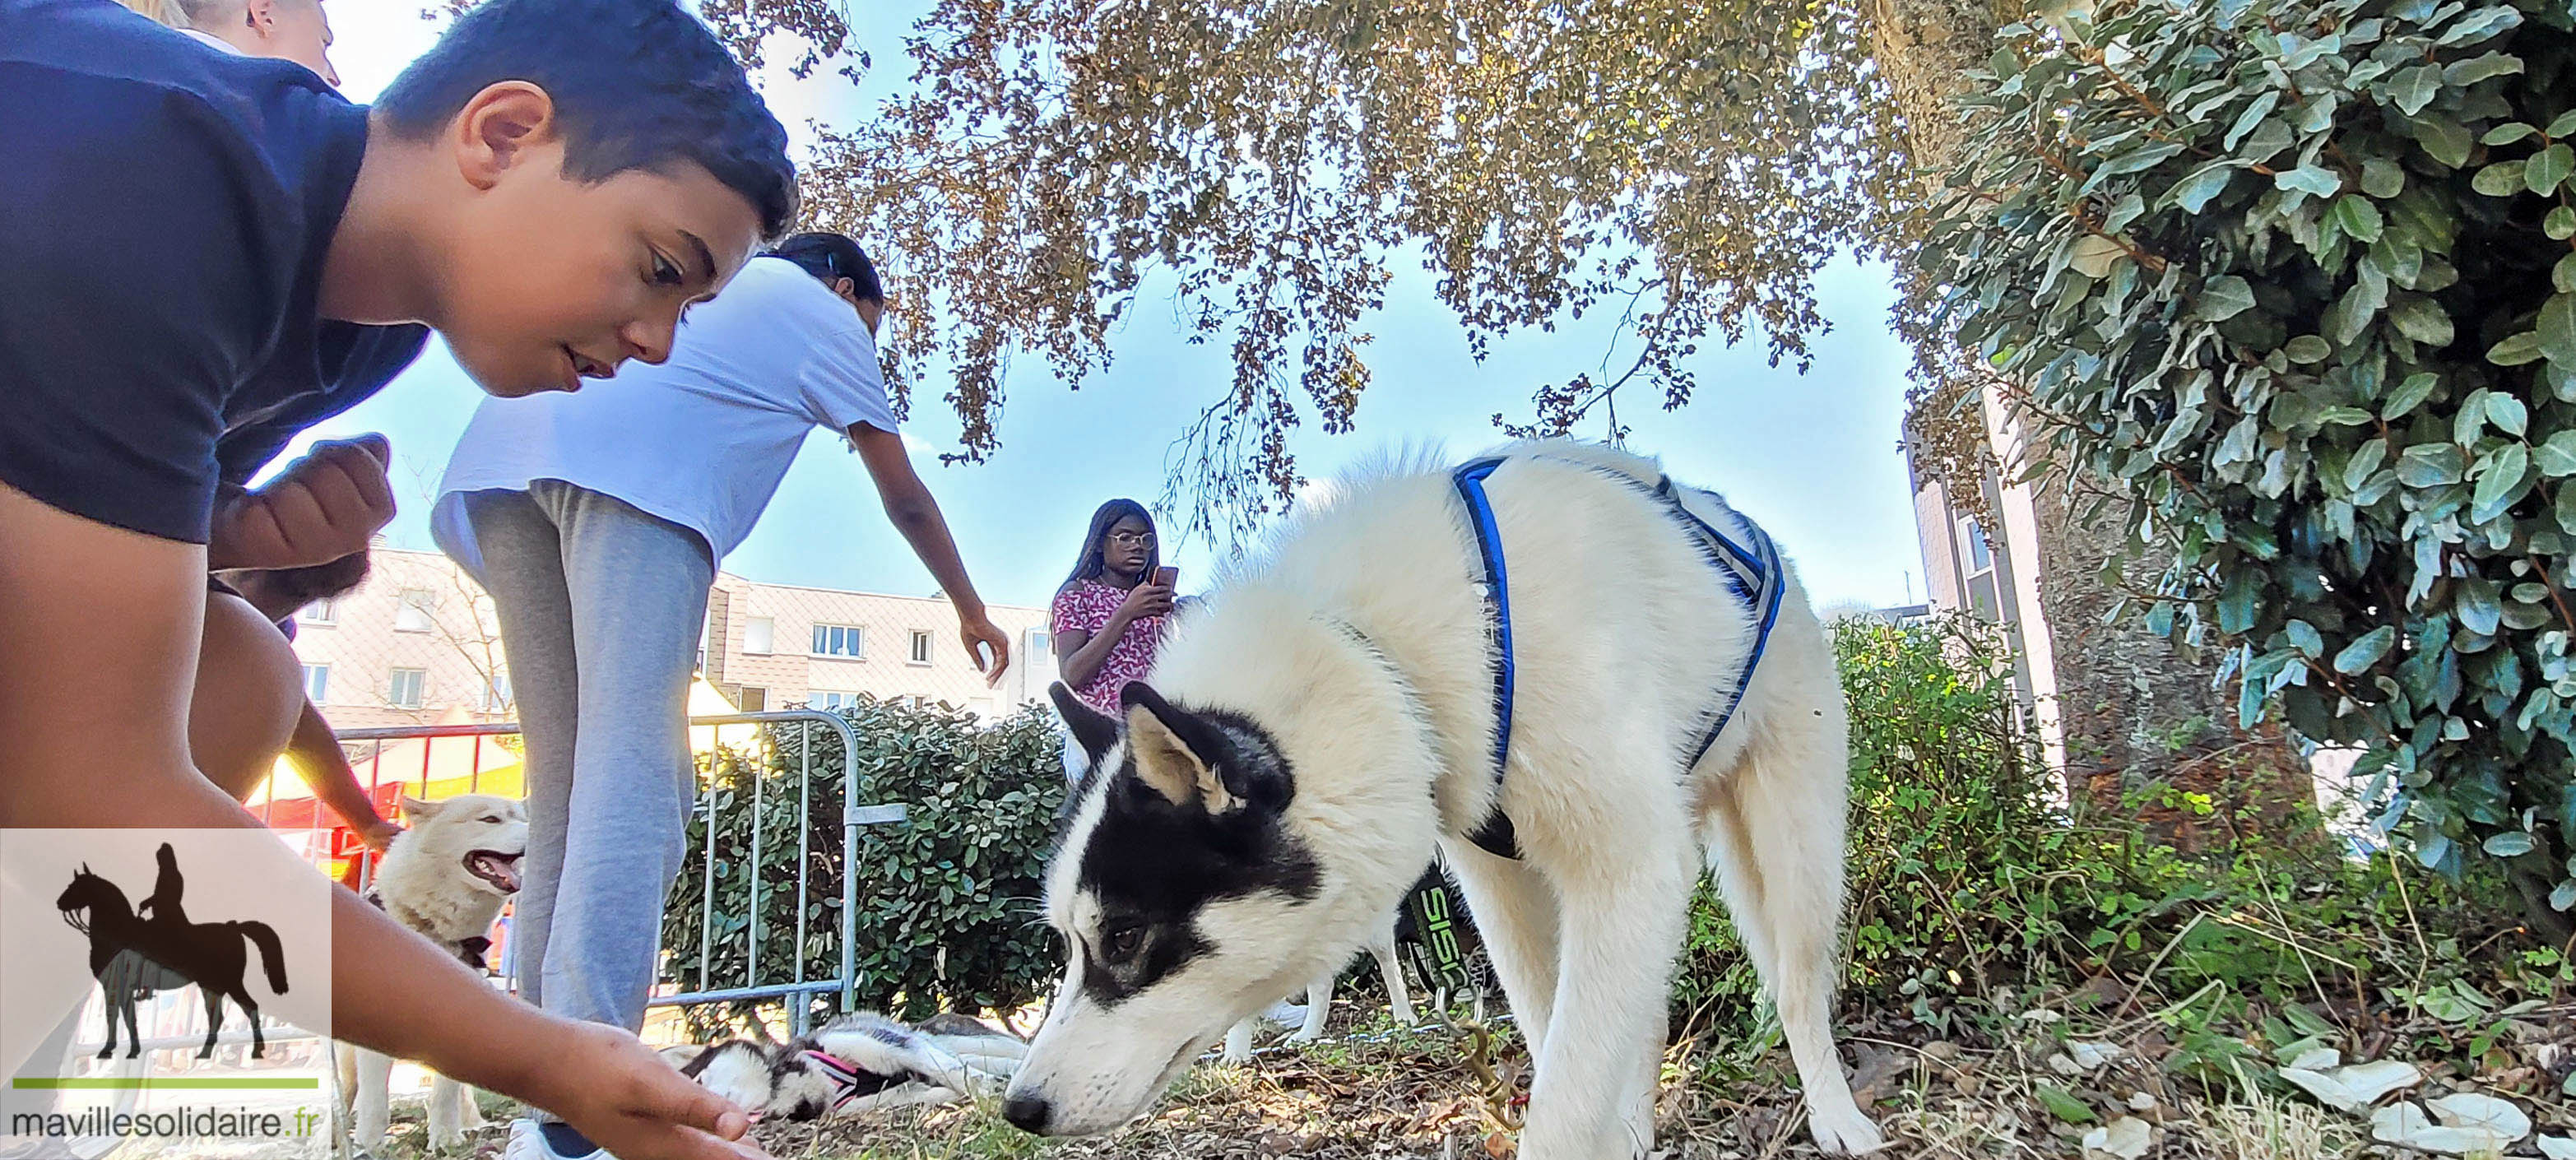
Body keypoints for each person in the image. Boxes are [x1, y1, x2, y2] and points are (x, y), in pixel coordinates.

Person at [0, 2, 796, 1159]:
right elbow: (95, 792)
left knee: (238, 668)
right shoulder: (164, 182)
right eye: (664, 268)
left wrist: (230, 539)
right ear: (504, 134)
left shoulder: (364, 325)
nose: (662, 342)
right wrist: (545, 1054)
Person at [429, 230, 1011, 1160]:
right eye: (874, 317)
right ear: (846, 286)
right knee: (636, 780)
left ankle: (540, 1085)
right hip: (638, 483)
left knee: (565, 786)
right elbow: (901, 493)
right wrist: (970, 609)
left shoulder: (708, 293)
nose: (871, 337)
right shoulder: (822, 310)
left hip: (502, 461)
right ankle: (583, 1111)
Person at [1049, 499, 1176, 778]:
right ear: (1098, 543)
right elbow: (1072, 674)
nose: (1138, 545)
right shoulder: (1077, 593)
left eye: (1146, 539)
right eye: (1125, 537)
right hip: (1098, 740)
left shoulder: (1153, 601)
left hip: (1152, 742)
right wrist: (1125, 614)